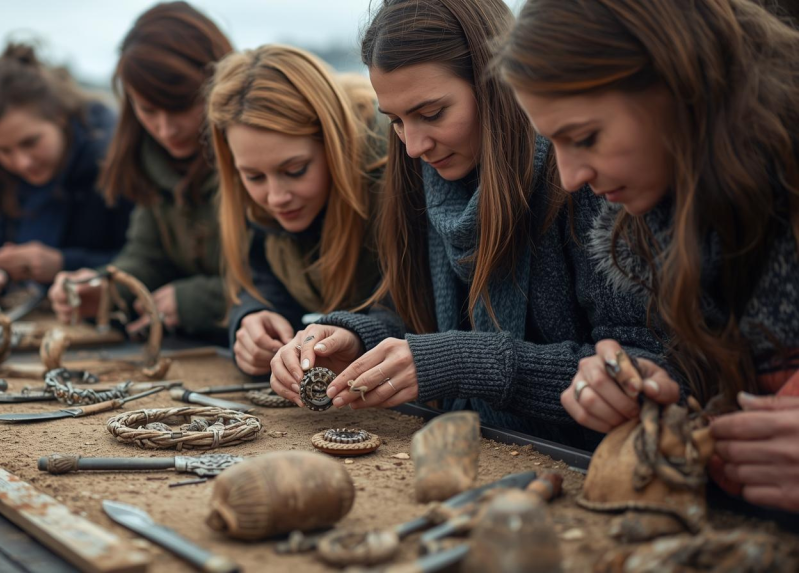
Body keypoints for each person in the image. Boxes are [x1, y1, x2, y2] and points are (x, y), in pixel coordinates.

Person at [268, 0, 667, 448]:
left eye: (432, 113)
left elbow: (646, 365)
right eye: (397, 121)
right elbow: (422, 326)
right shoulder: (424, 175)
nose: (414, 145)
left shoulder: (590, 178)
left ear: (497, 85)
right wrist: (354, 339)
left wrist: (459, 361)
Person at [497, 0, 799, 512]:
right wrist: (659, 393)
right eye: (554, 143)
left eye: (586, 137)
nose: (570, 178)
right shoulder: (664, 226)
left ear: (681, 87)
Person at [49, 1, 232, 342]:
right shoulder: (148, 160)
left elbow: (283, 282)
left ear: (219, 85)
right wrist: (105, 288)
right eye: (148, 109)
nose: (165, 129)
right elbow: (146, 259)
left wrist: (197, 301)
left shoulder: (255, 160)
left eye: (181, 106)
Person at [206, 45, 386, 375]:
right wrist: (251, 318)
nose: (275, 198)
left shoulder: (391, 180)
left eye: (295, 170)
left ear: (334, 143)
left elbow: (411, 317)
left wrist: (357, 335)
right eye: (254, 176)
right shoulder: (257, 206)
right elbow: (264, 284)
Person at [0, 44, 132, 308]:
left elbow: (146, 262)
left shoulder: (113, 163)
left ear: (59, 116)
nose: (21, 163)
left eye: (30, 142)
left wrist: (63, 263)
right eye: (2, 151)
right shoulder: (5, 175)